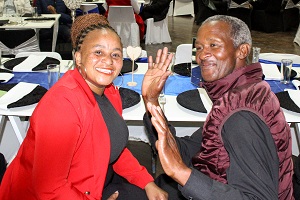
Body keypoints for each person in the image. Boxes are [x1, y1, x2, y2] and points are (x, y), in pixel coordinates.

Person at [0, 13, 167, 200]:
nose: (109, 60)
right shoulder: (62, 107)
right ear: (78, 58)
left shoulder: (110, 92)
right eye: (98, 52)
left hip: (93, 183)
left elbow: (114, 146)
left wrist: (146, 181)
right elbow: (50, 190)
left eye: (116, 54)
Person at [141, 15, 294, 199]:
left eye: (214, 45)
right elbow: (184, 150)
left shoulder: (241, 117)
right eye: (199, 47)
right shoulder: (240, 95)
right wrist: (151, 101)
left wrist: (181, 173)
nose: (202, 55)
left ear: (242, 51)